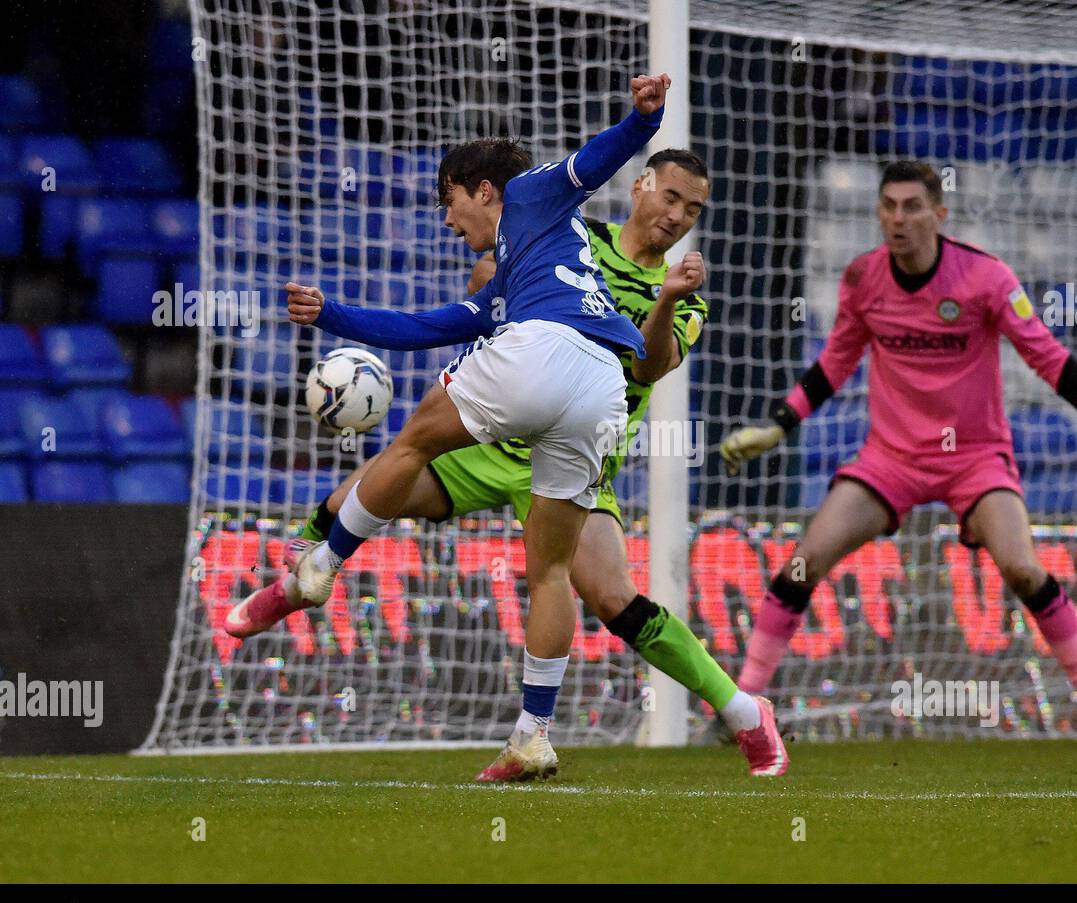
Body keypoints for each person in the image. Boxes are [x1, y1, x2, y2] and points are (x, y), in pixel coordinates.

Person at [228, 75, 684, 781]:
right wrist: (331, 315)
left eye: (449, 202)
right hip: (604, 391)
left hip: (545, 351)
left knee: (412, 442)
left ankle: (318, 565)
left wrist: (642, 122)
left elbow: (592, 161)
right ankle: (532, 734)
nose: (448, 221)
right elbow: (427, 326)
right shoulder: (520, 273)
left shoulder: (531, 190)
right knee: (551, 569)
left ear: (482, 190)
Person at [287, 148, 788, 777]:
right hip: (498, 441)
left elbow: (651, 366)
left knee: (613, 598)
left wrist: (664, 300)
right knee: (357, 492)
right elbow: (490, 285)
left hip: (579, 444)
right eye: (671, 197)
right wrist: (489, 288)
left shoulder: (687, 295)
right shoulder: (576, 235)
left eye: (693, 209)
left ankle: (743, 712)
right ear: (640, 187)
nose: (678, 216)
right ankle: (290, 575)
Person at [721, 160, 1077, 751]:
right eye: (888, 206)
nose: (898, 218)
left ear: (939, 214)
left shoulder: (985, 278)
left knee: (1022, 567)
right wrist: (780, 425)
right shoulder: (863, 278)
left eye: (912, 207)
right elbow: (835, 361)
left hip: (975, 457)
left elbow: (1045, 355)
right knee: (802, 562)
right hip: (891, 458)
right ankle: (744, 705)